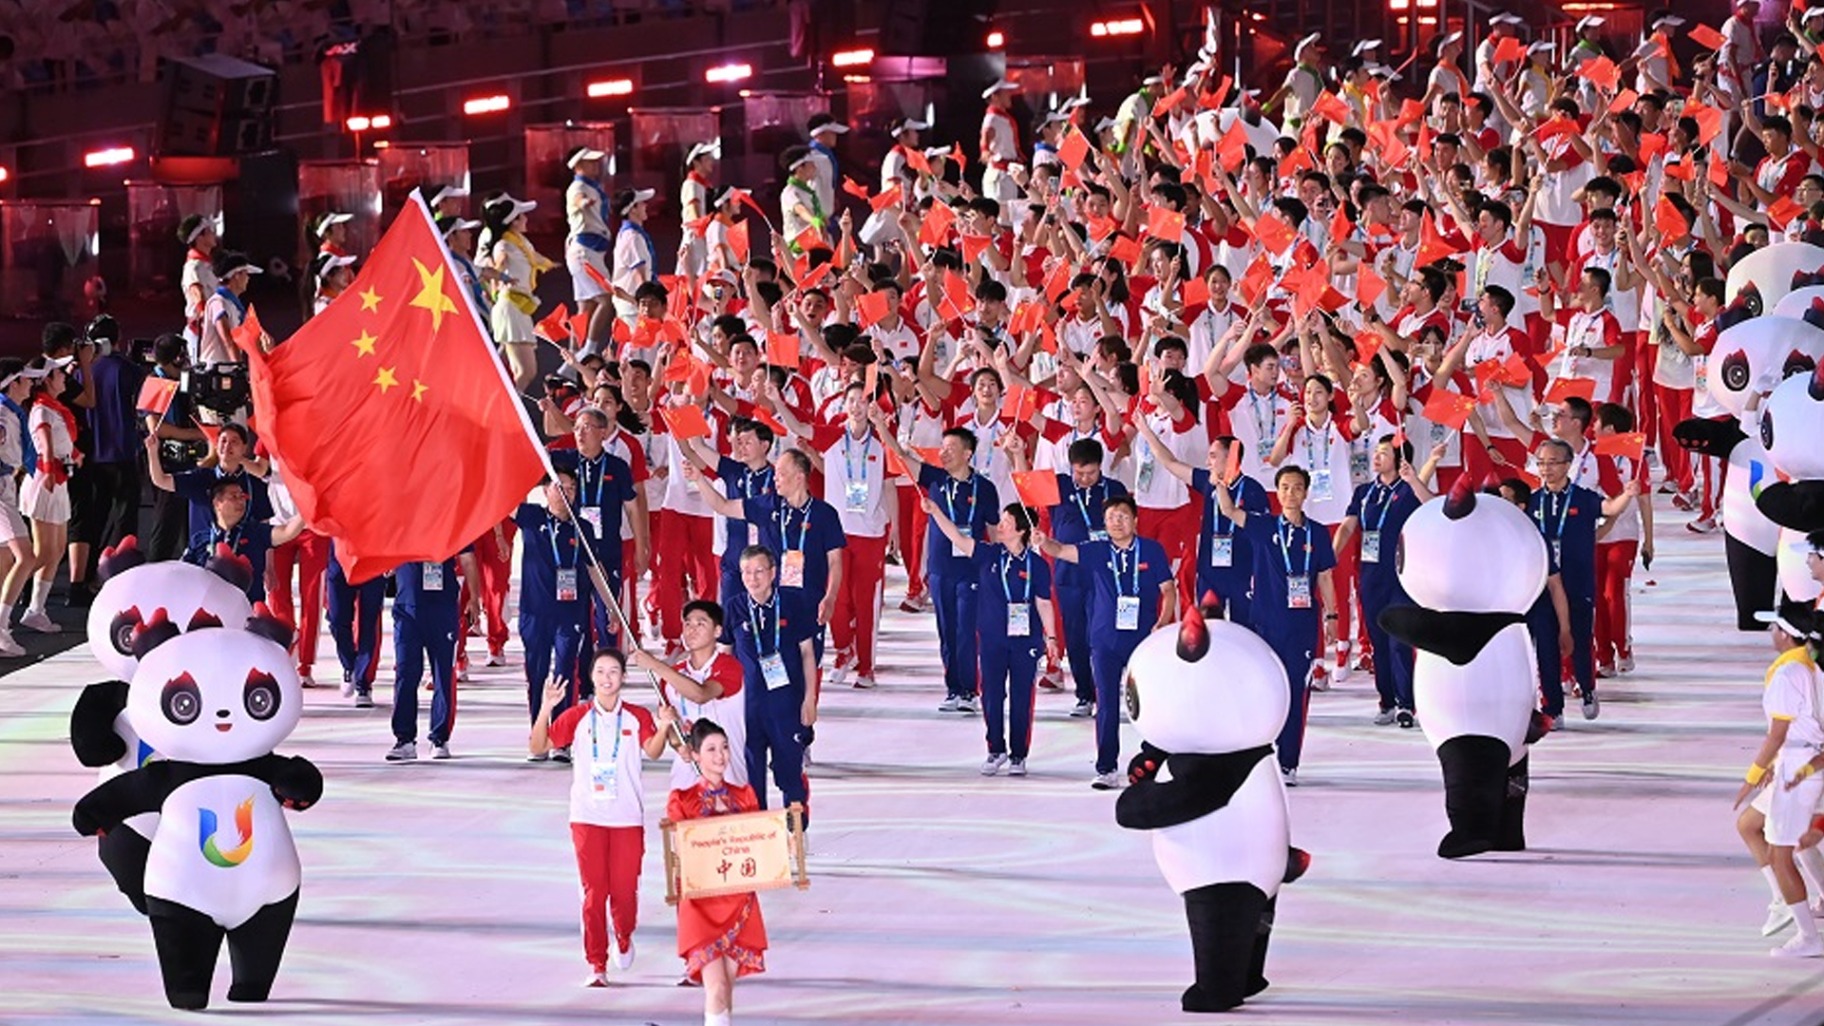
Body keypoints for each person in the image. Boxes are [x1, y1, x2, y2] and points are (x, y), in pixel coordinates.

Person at [531, 649, 672, 985]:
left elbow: (653, 751)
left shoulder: (636, 716)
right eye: (600, 672)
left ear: (623, 678)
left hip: (626, 817)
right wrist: (546, 708)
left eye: (613, 672)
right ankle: (597, 964)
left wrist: (665, 726)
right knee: (594, 893)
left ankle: (623, 935)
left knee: (623, 892)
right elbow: (538, 746)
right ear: (591, 677)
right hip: (587, 816)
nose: (607, 678)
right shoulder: (577, 716)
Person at [1035, 495, 1176, 790]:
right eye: (1111, 517)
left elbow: (1168, 589)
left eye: (1123, 516)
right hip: (1104, 641)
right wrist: (1044, 541)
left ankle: (1152, 761)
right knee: (1107, 703)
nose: (1117, 522)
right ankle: (1106, 767)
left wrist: (1162, 622)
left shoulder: (1151, 550)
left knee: (1149, 703)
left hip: (1142, 641)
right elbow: (1061, 550)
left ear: (1135, 520)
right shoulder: (1097, 551)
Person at [1211, 466, 1338, 785]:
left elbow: (1325, 577)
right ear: (1277, 492)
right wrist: (1220, 483)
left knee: (1296, 693)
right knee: (1264, 692)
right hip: (1264, 624)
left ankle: (1289, 762)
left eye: (1297, 488)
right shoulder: (1262, 526)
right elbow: (1227, 510)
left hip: (1301, 626)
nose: (1290, 493)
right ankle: (1260, 757)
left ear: (1306, 493)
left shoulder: (1318, 533)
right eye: (1284, 487)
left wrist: (1332, 616)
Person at [872, 413, 1000, 713]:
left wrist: (992, 568)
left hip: (971, 569)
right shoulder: (936, 478)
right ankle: (953, 688)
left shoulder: (985, 488)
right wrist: (880, 425)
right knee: (947, 630)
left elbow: (993, 532)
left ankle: (970, 690)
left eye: (950, 448)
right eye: (942, 448)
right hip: (941, 569)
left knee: (967, 630)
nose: (943, 452)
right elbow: (901, 456)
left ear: (967, 454)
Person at [925, 498, 1058, 776]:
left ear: (1021, 530)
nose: (1000, 526)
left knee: (1022, 697)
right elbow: (957, 538)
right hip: (992, 640)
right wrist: (936, 511)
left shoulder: (1038, 565)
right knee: (992, 695)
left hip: (1025, 642)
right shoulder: (988, 554)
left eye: (1007, 523)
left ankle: (1018, 754)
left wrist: (1052, 638)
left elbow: (1044, 603)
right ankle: (995, 749)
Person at [1526, 437, 1637, 726]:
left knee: (1580, 640)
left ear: (1567, 465)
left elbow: (1611, 509)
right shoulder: (1532, 502)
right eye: (1541, 463)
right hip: (1542, 587)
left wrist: (1628, 494)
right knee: (1546, 646)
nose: (1545, 469)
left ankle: (1587, 688)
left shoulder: (1582, 498)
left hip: (1578, 582)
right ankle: (1552, 707)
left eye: (1552, 463)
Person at [1734, 602, 1824, 957]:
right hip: (1801, 761)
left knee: (1783, 852)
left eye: (1775, 629)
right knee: (1753, 826)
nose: (1771, 634)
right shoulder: (1810, 666)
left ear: (1786, 635)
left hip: (1797, 767)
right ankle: (1784, 898)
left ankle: (1807, 935)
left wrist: (1752, 777)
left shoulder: (1789, 675)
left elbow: (1777, 733)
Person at [667, 717, 768, 1025]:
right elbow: (679, 851)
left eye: (724, 747)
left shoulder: (745, 795)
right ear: (695, 755)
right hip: (700, 904)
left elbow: (759, 842)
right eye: (710, 749)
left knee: (726, 990)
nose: (720, 755)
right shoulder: (681, 800)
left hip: (740, 902)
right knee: (717, 985)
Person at [1331, 436, 1429, 726]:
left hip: (1401, 575)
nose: (1376, 457)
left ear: (1400, 460)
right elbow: (1348, 527)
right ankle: (1386, 700)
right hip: (1370, 576)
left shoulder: (1410, 490)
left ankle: (1405, 704)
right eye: (1376, 452)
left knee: (1399, 640)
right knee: (1378, 641)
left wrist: (1414, 480)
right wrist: (1330, 556)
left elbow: (1435, 506)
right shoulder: (1364, 492)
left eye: (1384, 453)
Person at [1037, 437, 1130, 718]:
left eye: (1091, 473)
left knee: (1103, 636)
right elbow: (1028, 489)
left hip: (1106, 577)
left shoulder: (1115, 489)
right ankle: (1084, 694)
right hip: (1068, 575)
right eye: (1080, 473)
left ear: (1101, 467)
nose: (1085, 478)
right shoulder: (1061, 484)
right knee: (1076, 637)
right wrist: (1017, 454)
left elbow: (1127, 528)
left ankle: (1109, 692)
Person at [723, 545, 817, 821]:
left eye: (759, 571)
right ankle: (759, 831)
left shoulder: (792, 603)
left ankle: (797, 818)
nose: (753, 578)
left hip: (786, 704)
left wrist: (809, 699)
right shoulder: (734, 608)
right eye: (746, 572)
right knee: (751, 775)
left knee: (788, 769)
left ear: (773, 573)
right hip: (748, 707)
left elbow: (808, 653)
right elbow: (725, 658)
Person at [631, 599, 748, 791]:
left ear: (717, 631)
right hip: (686, 778)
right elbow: (671, 726)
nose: (692, 630)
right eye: (688, 624)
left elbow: (701, 694)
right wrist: (679, 747)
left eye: (701, 624)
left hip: (728, 774)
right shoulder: (672, 677)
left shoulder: (730, 666)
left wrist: (656, 665)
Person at [517, 470, 593, 757]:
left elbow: (592, 568)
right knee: (537, 675)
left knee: (564, 671)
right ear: (546, 490)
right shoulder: (531, 516)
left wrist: (609, 606)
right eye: (560, 487)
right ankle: (538, 738)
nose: (566, 494)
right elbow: (503, 498)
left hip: (569, 612)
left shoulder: (582, 527)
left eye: (572, 489)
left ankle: (561, 738)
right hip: (535, 613)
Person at [16, 356, 79, 635]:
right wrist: (54, 470)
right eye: (59, 373)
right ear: (46, 380)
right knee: (43, 551)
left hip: (59, 481)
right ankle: (10, 596)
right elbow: (45, 445)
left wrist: (73, 457)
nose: (64, 376)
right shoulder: (41, 409)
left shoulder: (55, 408)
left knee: (56, 549)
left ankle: (36, 609)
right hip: (46, 482)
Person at [386, 554, 462, 762]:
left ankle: (440, 738)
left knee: (443, 675)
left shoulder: (450, 523)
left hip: (442, 609)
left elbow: (468, 558)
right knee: (405, 674)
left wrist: (473, 596)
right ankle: (405, 739)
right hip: (406, 609)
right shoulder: (402, 525)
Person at [179, 479, 306, 602]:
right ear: (217, 503)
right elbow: (183, 571)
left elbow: (287, 532)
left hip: (246, 612)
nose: (241, 501)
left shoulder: (255, 531)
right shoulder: (200, 539)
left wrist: (308, 509)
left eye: (242, 496)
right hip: (210, 613)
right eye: (234, 497)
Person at [480, 194, 550, 392]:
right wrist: (495, 282)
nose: (526, 219)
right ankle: (508, 414)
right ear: (512, 222)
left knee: (516, 369)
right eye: (522, 216)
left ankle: (500, 407)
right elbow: (497, 266)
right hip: (511, 308)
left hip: (518, 307)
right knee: (526, 371)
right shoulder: (505, 245)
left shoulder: (520, 243)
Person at [0, 360, 36, 655]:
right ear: (13, 383)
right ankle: (1, 627)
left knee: (5, 561)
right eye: (25, 380)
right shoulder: (3, 414)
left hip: (8, 484)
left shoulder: (13, 413)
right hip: (0, 489)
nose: (30, 384)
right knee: (26, 555)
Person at [564, 147, 614, 348]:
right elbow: (577, 200)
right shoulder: (578, 188)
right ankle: (589, 349)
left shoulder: (593, 186)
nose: (596, 166)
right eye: (590, 163)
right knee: (606, 299)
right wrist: (584, 202)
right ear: (578, 166)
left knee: (585, 307)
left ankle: (570, 360)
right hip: (586, 250)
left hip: (591, 251)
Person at [611, 188, 658, 322]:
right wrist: (648, 307)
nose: (646, 205)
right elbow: (639, 275)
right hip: (632, 309)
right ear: (633, 209)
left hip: (631, 306)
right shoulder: (632, 237)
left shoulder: (628, 234)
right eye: (642, 203)